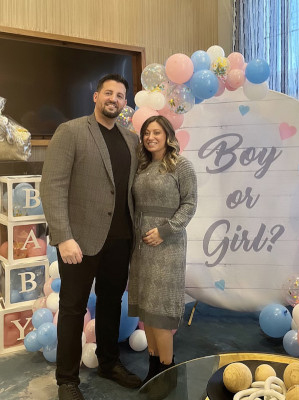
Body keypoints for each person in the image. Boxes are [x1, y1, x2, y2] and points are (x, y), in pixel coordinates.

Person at [40, 74, 141, 400]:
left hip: (120, 239)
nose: (114, 99)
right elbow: (52, 186)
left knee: (112, 305)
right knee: (72, 308)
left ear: (125, 103)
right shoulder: (70, 131)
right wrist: (63, 237)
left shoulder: (130, 139)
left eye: (120, 95)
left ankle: (109, 363)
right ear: (96, 97)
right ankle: (67, 381)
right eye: (108, 93)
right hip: (79, 242)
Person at [128, 115, 198, 384]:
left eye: (156, 132)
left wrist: (165, 230)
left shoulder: (181, 166)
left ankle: (168, 372)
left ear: (168, 135)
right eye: (146, 133)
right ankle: (153, 367)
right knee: (147, 308)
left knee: (161, 311)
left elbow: (189, 205)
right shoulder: (143, 167)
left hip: (167, 245)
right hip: (141, 246)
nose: (150, 137)